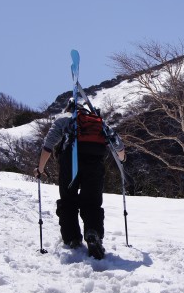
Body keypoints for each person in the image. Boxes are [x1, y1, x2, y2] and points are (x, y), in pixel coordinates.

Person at [35, 98, 126, 259]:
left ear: (68, 109)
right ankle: (93, 232)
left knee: (68, 200)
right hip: (95, 163)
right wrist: (122, 159)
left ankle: (72, 238)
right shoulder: (98, 122)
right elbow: (119, 147)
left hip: (70, 162)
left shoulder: (63, 120)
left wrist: (40, 169)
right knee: (92, 202)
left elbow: (48, 146)